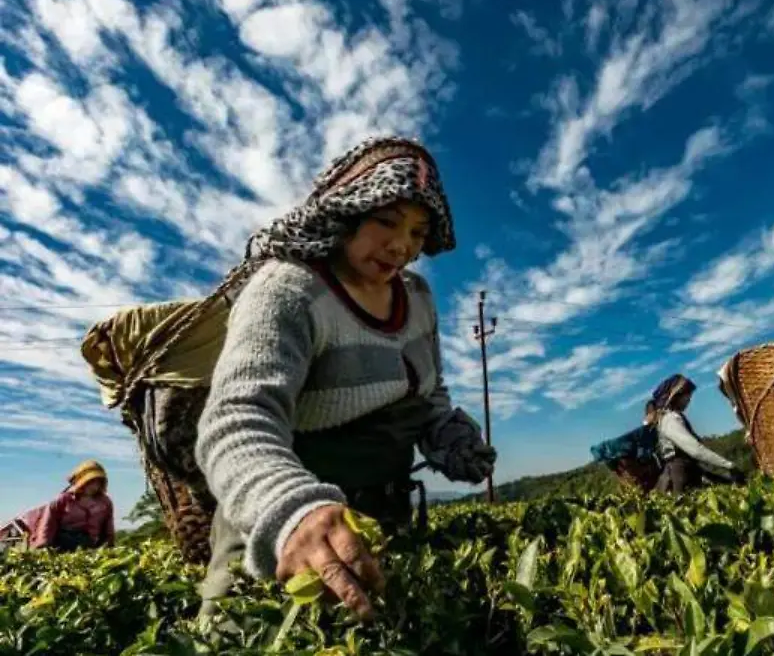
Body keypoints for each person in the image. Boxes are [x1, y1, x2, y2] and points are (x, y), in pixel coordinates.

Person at [192, 136, 497, 622]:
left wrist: (448, 436)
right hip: (283, 528)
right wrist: (292, 511)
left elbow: (428, 392)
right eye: (386, 221)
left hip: (381, 520)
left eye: (419, 233)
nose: (402, 246)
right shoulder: (289, 289)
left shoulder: (417, 299)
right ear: (346, 212)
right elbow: (238, 417)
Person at [648, 374, 745, 493]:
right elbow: (695, 450)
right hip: (680, 475)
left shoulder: (672, 417)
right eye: (687, 395)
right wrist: (729, 465)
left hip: (688, 470)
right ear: (676, 396)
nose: (689, 399)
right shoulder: (670, 419)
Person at [22, 460, 116, 552]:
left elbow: (108, 529)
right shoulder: (63, 500)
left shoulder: (105, 503)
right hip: (62, 544)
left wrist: (108, 547)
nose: (94, 486)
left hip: (88, 545)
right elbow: (48, 524)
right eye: (91, 482)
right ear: (82, 481)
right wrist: (43, 547)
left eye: (98, 482)